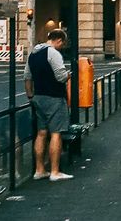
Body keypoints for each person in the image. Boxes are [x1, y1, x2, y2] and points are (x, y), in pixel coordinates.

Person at [24, 29, 73, 182]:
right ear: (58, 40)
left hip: (38, 97)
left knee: (41, 133)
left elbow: (27, 76)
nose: (62, 46)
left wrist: (31, 95)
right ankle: (54, 171)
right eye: (62, 43)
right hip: (54, 97)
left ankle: (39, 170)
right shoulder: (53, 53)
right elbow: (61, 77)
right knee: (56, 133)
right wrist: (69, 74)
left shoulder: (33, 53)